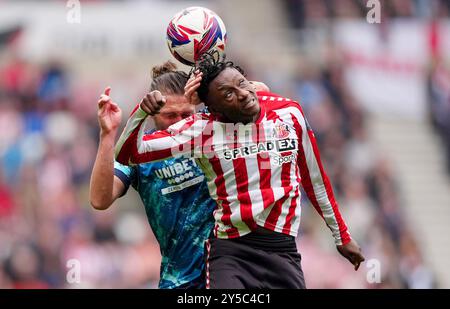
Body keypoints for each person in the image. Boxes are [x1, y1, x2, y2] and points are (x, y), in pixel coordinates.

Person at [114, 52, 365, 288]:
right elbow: (127, 154)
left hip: (283, 251)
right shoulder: (202, 131)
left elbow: (315, 180)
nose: (243, 94)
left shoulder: (290, 113)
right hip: (232, 252)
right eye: (228, 94)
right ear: (214, 109)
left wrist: (341, 235)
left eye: (242, 83)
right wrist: (141, 112)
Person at [89, 61, 216, 289]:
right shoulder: (140, 153)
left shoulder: (213, 132)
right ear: (152, 116)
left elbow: (256, 95)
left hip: (229, 272)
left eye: (186, 114)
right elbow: (100, 199)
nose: (179, 123)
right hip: (178, 280)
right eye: (170, 115)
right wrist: (107, 134)